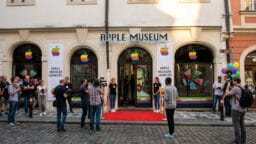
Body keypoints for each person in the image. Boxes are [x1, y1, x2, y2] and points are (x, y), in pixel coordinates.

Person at [225, 78, 246, 144]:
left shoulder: (236, 88)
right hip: (243, 109)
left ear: (236, 81)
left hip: (236, 109)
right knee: (242, 125)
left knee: (236, 125)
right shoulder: (243, 87)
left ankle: (237, 141)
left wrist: (228, 87)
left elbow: (227, 94)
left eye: (233, 81)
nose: (232, 82)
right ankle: (243, 140)